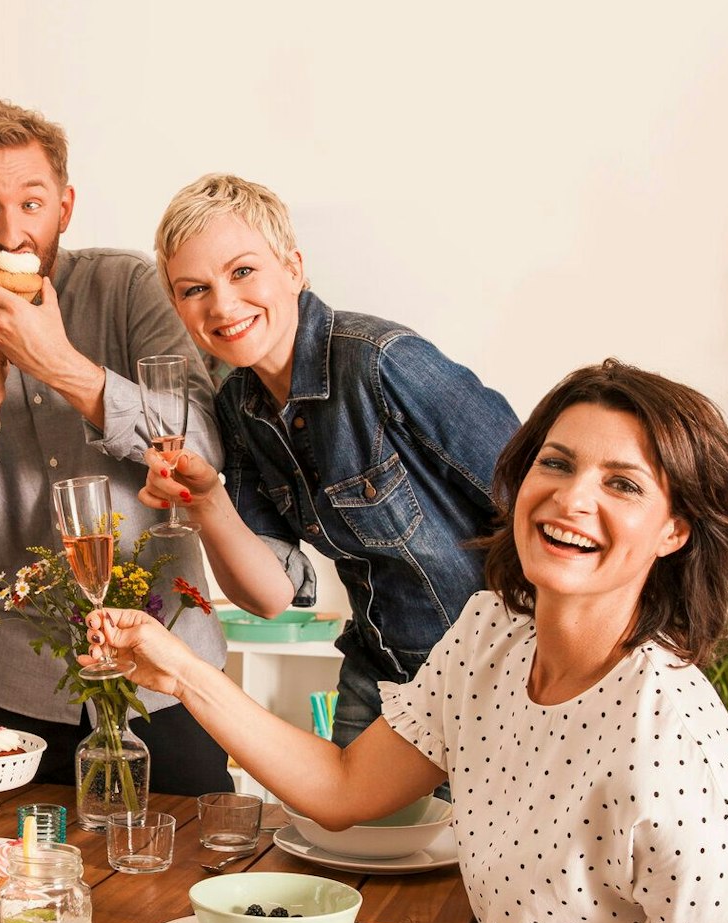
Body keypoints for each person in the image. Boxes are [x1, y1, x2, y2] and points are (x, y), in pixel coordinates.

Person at [90, 361, 728, 923]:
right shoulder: (490, 636)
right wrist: (183, 671)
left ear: (675, 527)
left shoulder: (665, 735)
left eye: (621, 483)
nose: (571, 498)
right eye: (555, 464)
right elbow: (342, 789)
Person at [0, 99, 231, 795]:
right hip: (22, 692)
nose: (11, 229)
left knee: (183, 880)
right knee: (20, 889)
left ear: (65, 207)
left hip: (170, 672)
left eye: (31, 202)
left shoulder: (130, 287)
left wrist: (58, 364)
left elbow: (203, 446)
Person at [143, 174, 520, 746]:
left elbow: (534, 503)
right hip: (380, 678)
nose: (222, 305)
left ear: (293, 267)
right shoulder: (237, 409)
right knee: (341, 834)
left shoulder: (382, 363)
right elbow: (269, 597)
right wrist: (206, 502)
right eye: (194, 289)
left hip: (495, 677)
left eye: (242, 271)